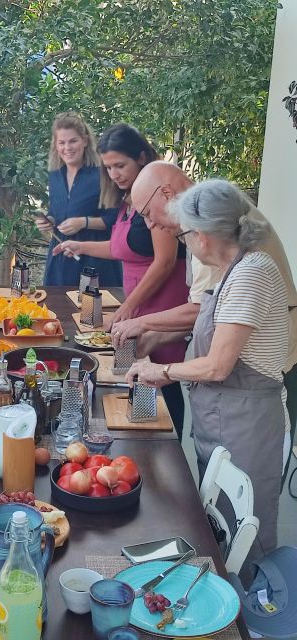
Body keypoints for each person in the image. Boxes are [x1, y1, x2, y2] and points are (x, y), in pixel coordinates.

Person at [126, 179, 289, 555]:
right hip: (222, 417)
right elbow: (214, 334)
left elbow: (218, 365)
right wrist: (159, 340)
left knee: (247, 534)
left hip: (247, 425)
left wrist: (162, 372)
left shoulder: (252, 273)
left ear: (201, 236)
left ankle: (251, 608)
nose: (184, 243)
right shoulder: (235, 268)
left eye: (183, 235)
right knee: (217, 528)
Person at [54, 125, 189, 438]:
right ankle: (141, 437)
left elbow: (165, 261)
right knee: (137, 380)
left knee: (161, 384)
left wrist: (127, 307)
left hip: (162, 305)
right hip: (138, 306)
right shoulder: (127, 201)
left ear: (142, 158)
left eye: (120, 165)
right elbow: (120, 248)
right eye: (108, 167)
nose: (113, 174)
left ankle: (169, 445)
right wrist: (81, 246)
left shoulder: (154, 203)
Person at [37, 112, 122, 287]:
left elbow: (115, 219)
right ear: (56, 145)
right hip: (60, 260)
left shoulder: (102, 174)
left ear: (84, 141)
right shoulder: (54, 175)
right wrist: (48, 221)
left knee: (93, 312)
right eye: (62, 142)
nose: (67, 147)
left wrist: (83, 222)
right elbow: (56, 212)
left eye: (73, 141)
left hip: (95, 260)